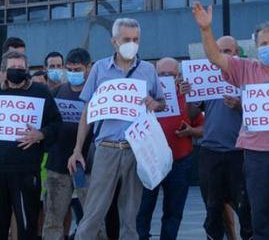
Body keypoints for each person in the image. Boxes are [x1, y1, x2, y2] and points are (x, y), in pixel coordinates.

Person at [193, 3, 269, 240]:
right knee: (259, 216)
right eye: (263, 44)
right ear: (255, 46)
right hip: (254, 156)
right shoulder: (244, 68)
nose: (268, 48)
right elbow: (215, 57)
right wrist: (206, 29)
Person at [67, 18, 166, 240]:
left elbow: (162, 102)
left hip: (136, 150)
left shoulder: (148, 70)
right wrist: (77, 149)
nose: (132, 43)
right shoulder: (99, 69)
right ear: (114, 41)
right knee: (93, 213)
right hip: (106, 149)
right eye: (127, 39)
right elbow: (87, 113)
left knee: (130, 217)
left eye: (136, 39)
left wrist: (155, 103)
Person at [0, 50, 61, 239]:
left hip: (26, 171)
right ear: (4, 70)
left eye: (21, 68)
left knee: (27, 226)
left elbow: (56, 123)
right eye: (13, 68)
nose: (17, 71)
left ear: (27, 69)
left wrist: (41, 134)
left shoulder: (41, 93)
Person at [136, 58, 204, 240]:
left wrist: (190, 131)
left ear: (178, 76)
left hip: (180, 162)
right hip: (150, 161)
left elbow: (203, 128)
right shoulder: (145, 96)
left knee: (173, 211)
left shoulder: (189, 97)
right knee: (143, 209)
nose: (165, 78)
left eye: (170, 74)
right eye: (161, 75)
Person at [199, 36, 253, 240]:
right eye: (220, 51)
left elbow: (261, 113)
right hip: (210, 152)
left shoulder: (249, 77)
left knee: (246, 208)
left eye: (229, 51)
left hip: (239, 152)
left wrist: (240, 105)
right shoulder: (206, 78)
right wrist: (188, 93)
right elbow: (193, 113)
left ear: (238, 54)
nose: (224, 55)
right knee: (212, 210)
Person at [42, 48, 92, 240]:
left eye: (77, 69)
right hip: (58, 165)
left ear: (88, 68)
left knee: (92, 217)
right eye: (69, 69)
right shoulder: (56, 93)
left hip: (86, 166)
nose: (73, 73)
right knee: (53, 218)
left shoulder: (95, 93)